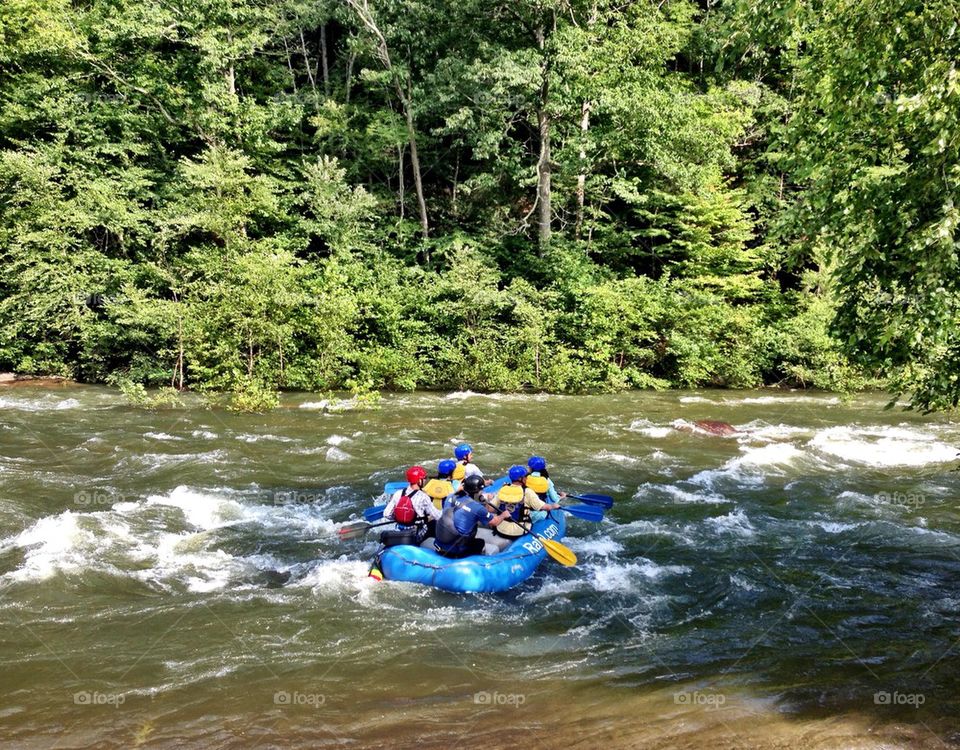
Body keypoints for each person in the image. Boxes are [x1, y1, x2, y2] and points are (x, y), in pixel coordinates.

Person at [434, 475, 511, 558]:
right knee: (480, 543)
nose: (483, 492)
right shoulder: (478, 508)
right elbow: (494, 522)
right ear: (477, 492)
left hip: (439, 542)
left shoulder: (451, 496)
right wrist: (503, 515)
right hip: (457, 549)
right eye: (482, 490)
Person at [489, 464, 560, 547]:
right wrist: (553, 506)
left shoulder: (503, 489)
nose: (527, 478)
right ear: (520, 479)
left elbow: (490, 509)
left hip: (500, 530)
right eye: (525, 477)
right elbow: (543, 507)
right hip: (520, 532)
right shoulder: (527, 492)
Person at [383, 465, 442, 540]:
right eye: (424, 478)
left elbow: (386, 514)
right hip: (417, 534)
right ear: (419, 481)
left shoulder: (398, 493)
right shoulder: (423, 497)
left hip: (400, 530)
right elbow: (437, 516)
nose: (425, 480)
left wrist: (399, 517)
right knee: (434, 523)